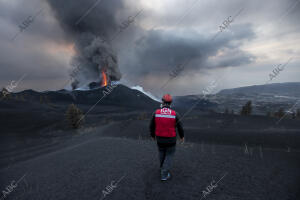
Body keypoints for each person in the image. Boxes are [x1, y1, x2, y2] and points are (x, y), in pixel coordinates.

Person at [149, 94, 184, 181]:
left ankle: (162, 168)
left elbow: (151, 126)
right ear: (171, 103)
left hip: (160, 139)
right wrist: (182, 136)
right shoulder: (175, 114)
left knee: (161, 153)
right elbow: (180, 127)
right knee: (169, 155)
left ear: (162, 102)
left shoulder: (156, 112)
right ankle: (164, 174)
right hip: (171, 139)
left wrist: (152, 135)